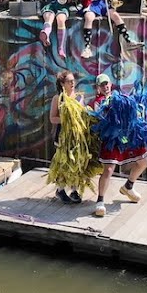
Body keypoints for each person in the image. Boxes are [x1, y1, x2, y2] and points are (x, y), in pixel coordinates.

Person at [87, 73, 146, 217]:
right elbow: (99, 118)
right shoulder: (97, 102)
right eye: (102, 85)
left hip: (126, 136)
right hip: (111, 138)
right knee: (108, 170)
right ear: (98, 88)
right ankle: (100, 201)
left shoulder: (119, 97)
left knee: (143, 162)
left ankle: (128, 186)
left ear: (110, 84)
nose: (105, 86)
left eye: (106, 83)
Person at [47, 70, 98, 204]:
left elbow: (83, 115)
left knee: (78, 161)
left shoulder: (79, 97)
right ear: (62, 84)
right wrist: (67, 120)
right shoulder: (58, 98)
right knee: (63, 163)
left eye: (73, 80)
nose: (72, 83)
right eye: (69, 81)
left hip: (78, 137)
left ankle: (74, 190)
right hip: (63, 137)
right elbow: (52, 118)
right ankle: (60, 189)